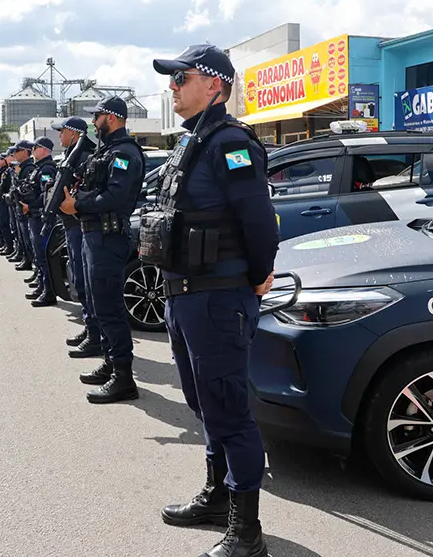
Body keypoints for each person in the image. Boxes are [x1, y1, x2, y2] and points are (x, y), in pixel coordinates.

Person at [143, 44, 278, 557]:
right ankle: (219, 498)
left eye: (182, 78)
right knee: (203, 403)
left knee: (228, 410)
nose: (173, 86)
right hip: (183, 295)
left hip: (218, 298)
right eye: (172, 79)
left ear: (213, 85)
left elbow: (258, 218)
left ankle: (248, 533)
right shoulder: (192, 142)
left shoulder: (230, 143)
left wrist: (261, 273)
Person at [60, 96, 144, 403]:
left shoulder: (125, 153)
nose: (94, 123)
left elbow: (115, 198)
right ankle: (111, 364)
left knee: (109, 307)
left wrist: (77, 205)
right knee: (98, 303)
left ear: (112, 117)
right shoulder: (105, 151)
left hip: (109, 239)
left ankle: (124, 378)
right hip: (93, 235)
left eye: (97, 117)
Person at [53, 117, 101, 351]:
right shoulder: (73, 154)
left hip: (80, 224)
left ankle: (95, 334)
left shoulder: (84, 156)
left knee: (85, 282)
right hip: (72, 224)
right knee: (80, 280)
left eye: (62, 131)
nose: (59, 136)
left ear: (73, 133)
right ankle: (90, 327)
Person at [24, 137, 59, 306]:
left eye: (35, 148)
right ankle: (42, 285)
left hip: (40, 217)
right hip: (34, 215)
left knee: (43, 254)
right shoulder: (39, 168)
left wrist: (30, 206)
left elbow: (46, 195)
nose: (32, 151)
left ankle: (49, 291)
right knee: (38, 253)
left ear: (43, 150)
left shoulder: (47, 169)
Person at [10, 140, 36, 273]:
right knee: (24, 238)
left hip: (28, 209)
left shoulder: (29, 168)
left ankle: (33, 266)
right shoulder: (23, 167)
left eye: (17, 151)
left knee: (31, 242)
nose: (14, 154)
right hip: (20, 207)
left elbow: (31, 191)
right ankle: (27, 260)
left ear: (26, 151)